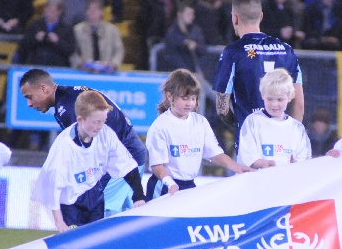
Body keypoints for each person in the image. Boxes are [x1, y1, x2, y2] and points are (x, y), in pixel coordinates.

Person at [19, 68, 146, 216]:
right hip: (132, 152)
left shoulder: (68, 106)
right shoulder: (70, 97)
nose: (29, 103)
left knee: (102, 217)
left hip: (123, 159)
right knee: (126, 217)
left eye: (30, 97)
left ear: (43, 88)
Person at [31, 90, 146, 232]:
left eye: (103, 121)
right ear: (80, 120)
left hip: (95, 194)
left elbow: (127, 166)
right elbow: (53, 187)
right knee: (74, 244)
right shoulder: (64, 147)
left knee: (96, 242)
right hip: (70, 202)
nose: (100, 126)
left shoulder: (106, 134)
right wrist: (59, 222)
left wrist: (139, 195)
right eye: (96, 122)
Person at [213, 0, 304, 152]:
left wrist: (238, 124)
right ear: (261, 16)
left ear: (234, 18)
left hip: (250, 144)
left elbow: (221, 108)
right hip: (283, 144)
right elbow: (299, 102)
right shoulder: (287, 50)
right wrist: (294, 138)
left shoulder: (233, 52)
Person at [145, 68, 251, 199]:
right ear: (169, 96)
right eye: (185, 98)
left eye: (193, 98)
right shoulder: (160, 126)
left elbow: (215, 154)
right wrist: (170, 183)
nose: (190, 103)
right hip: (164, 186)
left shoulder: (200, 122)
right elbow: (157, 165)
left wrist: (238, 167)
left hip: (189, 185)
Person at [238, 68, 310, 168]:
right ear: (262, 95)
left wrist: (297, 165)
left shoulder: (297, 128)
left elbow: (304, 159)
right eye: (270, 99)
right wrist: (263, 164)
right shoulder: (253, 121)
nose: (274, 104)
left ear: (289, 97)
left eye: (280, 99)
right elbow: (246, 156)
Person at [16, 0, 75, 67]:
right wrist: (35, 39)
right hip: (35, 66)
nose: (50, 13)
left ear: (59, 12)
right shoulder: (34, 25)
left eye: (54, 10)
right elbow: (23, 45)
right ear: (45, 9)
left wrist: (58, 41)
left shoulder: (67, 29)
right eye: (48, 9)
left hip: (58, 67)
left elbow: (70, 50)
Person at [71, 0, 124, 72]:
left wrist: (113, 64)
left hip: (107, 73)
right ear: (86, 12)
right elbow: (73, 52)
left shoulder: (112, 30)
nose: (92, 12)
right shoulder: (77, 30)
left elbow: (119, 50)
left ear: (101, 12)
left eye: (95, 9)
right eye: (90, 9)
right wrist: (80, 63)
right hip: (84, 72)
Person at [159, 3, 205, 72]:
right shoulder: (172, 32)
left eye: (192, 14)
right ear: (180, 15)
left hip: (194, 69)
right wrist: (183, 43)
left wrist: (196, 46)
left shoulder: (196, 30)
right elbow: (171, 53)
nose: (192, 17)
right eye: (189, 14)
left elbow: (203, 48)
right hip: (176, 70)